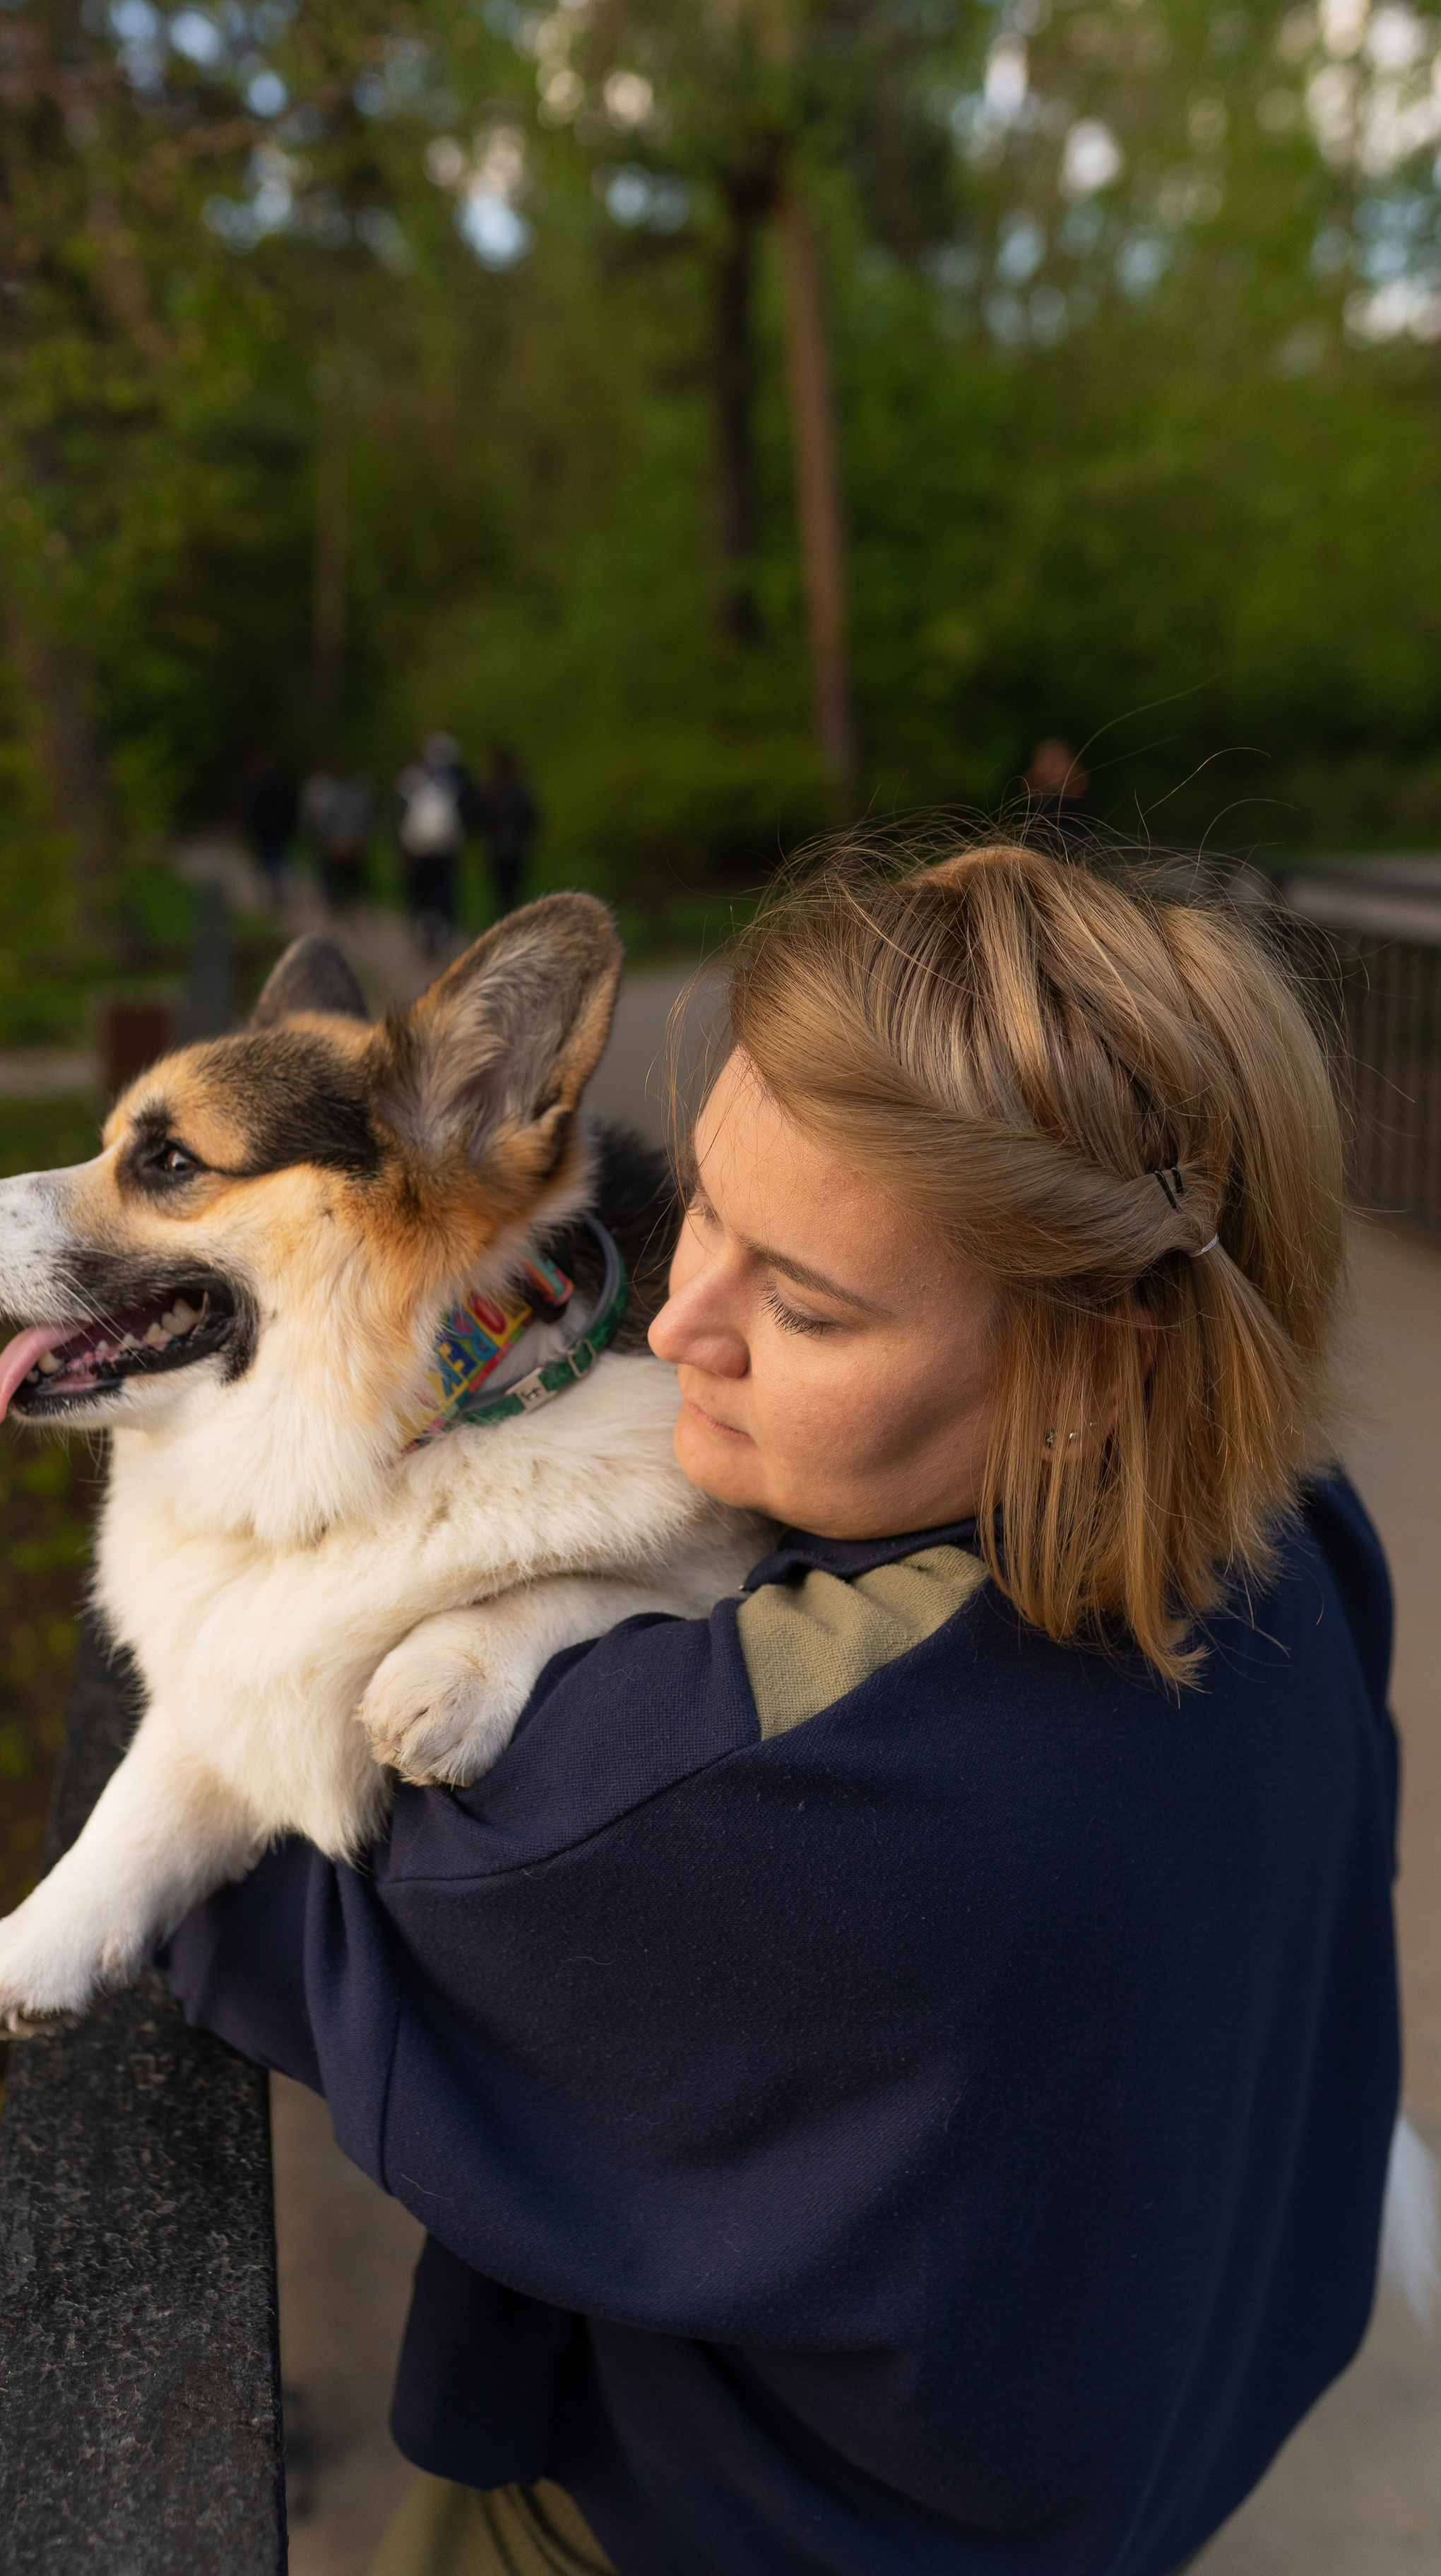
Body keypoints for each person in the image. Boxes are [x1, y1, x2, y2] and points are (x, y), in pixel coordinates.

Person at [164, 839, 1402, 2576]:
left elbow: (246, 1866)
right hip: (1147, 2438)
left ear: (1091, 1359)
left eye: (800, 1304)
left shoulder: (773, 1768)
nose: (675, 1319)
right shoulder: (1285, 1509)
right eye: (700, 1216)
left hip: (729, 2532)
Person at [396, 732, 473, 956]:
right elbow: (466, 813)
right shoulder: (455, 781)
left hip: (416, 846)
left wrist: (399, 848)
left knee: (421, 891)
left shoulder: (409, 779)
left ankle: (423, 930)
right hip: (445, 848)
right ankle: (440, 931)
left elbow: (399, 814)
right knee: (442, 890)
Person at [301, 759, 374, 910]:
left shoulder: (327, 791)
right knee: (339, 874)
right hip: (339, 841)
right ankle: (340, 901)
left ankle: (344, 901)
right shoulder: (343, 791)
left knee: (341, 874)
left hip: (341, 842)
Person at [479, 743, 542, 918]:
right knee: (514, 891)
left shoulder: (490, 790)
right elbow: (532, 817)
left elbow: (481, 817)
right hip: (517, 847)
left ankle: (504, 919)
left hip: (497, 848)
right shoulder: (521, 789)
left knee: (501, 892)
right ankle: (513, 918)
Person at [239, 748, 298, 908]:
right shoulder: (279, 782)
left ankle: (271, 894)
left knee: (267, 862)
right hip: (276, 829)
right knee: (278, 860)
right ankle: (278, 892)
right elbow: (289, 806)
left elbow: (250, 809)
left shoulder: (254, 784)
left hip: (263, 831)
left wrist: (249, 828)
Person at [1022, 733, 1093, 850]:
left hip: (1074, 841)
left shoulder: (1076, 777)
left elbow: (1077, 801)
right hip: (1041, 843)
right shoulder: (1032, 780)